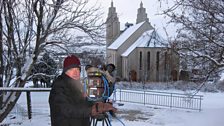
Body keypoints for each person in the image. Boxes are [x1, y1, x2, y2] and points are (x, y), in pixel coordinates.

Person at [49, 55, 116, 126]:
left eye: (77, 69)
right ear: (65, 71)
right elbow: (66, 110)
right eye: (71, 70)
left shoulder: (77, 86)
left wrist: (98, 106)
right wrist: (91, 111)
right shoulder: (58, 87)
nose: (75, 72)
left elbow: (82, 105)